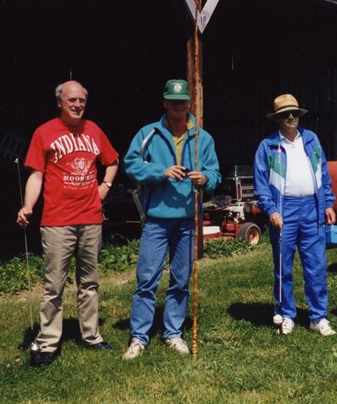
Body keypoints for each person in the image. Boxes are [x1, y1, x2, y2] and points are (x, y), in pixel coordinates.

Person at [17, 80, 119, 367]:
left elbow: (112, 160)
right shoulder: (44, 132)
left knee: (90, 282)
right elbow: (36, 175)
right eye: (72, 100)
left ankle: (92, 336)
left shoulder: (94, 130)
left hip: (90, 218)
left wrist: (106, 185)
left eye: (81, 101)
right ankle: (48, 343)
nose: (77, 105)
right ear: (59, 102)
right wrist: (28, 206)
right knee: (54, 285)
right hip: (57, 221)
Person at [122, 79, 221, 359]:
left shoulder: (203, 138)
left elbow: (216, 173)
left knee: (181, 280)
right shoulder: (148, 133)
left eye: (182, 101)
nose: (178, 106)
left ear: (189, 103)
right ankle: (139, 337)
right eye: (172, 101)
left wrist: (206, 179)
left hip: (187, 221)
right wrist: (160, 172)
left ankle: (173, 333)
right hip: (156, 220)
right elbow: (130, 163)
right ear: (165, 103)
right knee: (146, 280)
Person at [254, 94, 337, 335]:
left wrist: (328, 204)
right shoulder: (268, 146)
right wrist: (271, 210)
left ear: (299, 115)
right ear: (277, 119)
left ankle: (318, 317)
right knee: (283, 267)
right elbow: (261, 184)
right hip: (284, 211)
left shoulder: (311, 140)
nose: (290, 118)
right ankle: (286, 314)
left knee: (316, 265)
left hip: (312, 209)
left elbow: (324, 173)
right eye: (284, 114)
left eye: (294, 113)